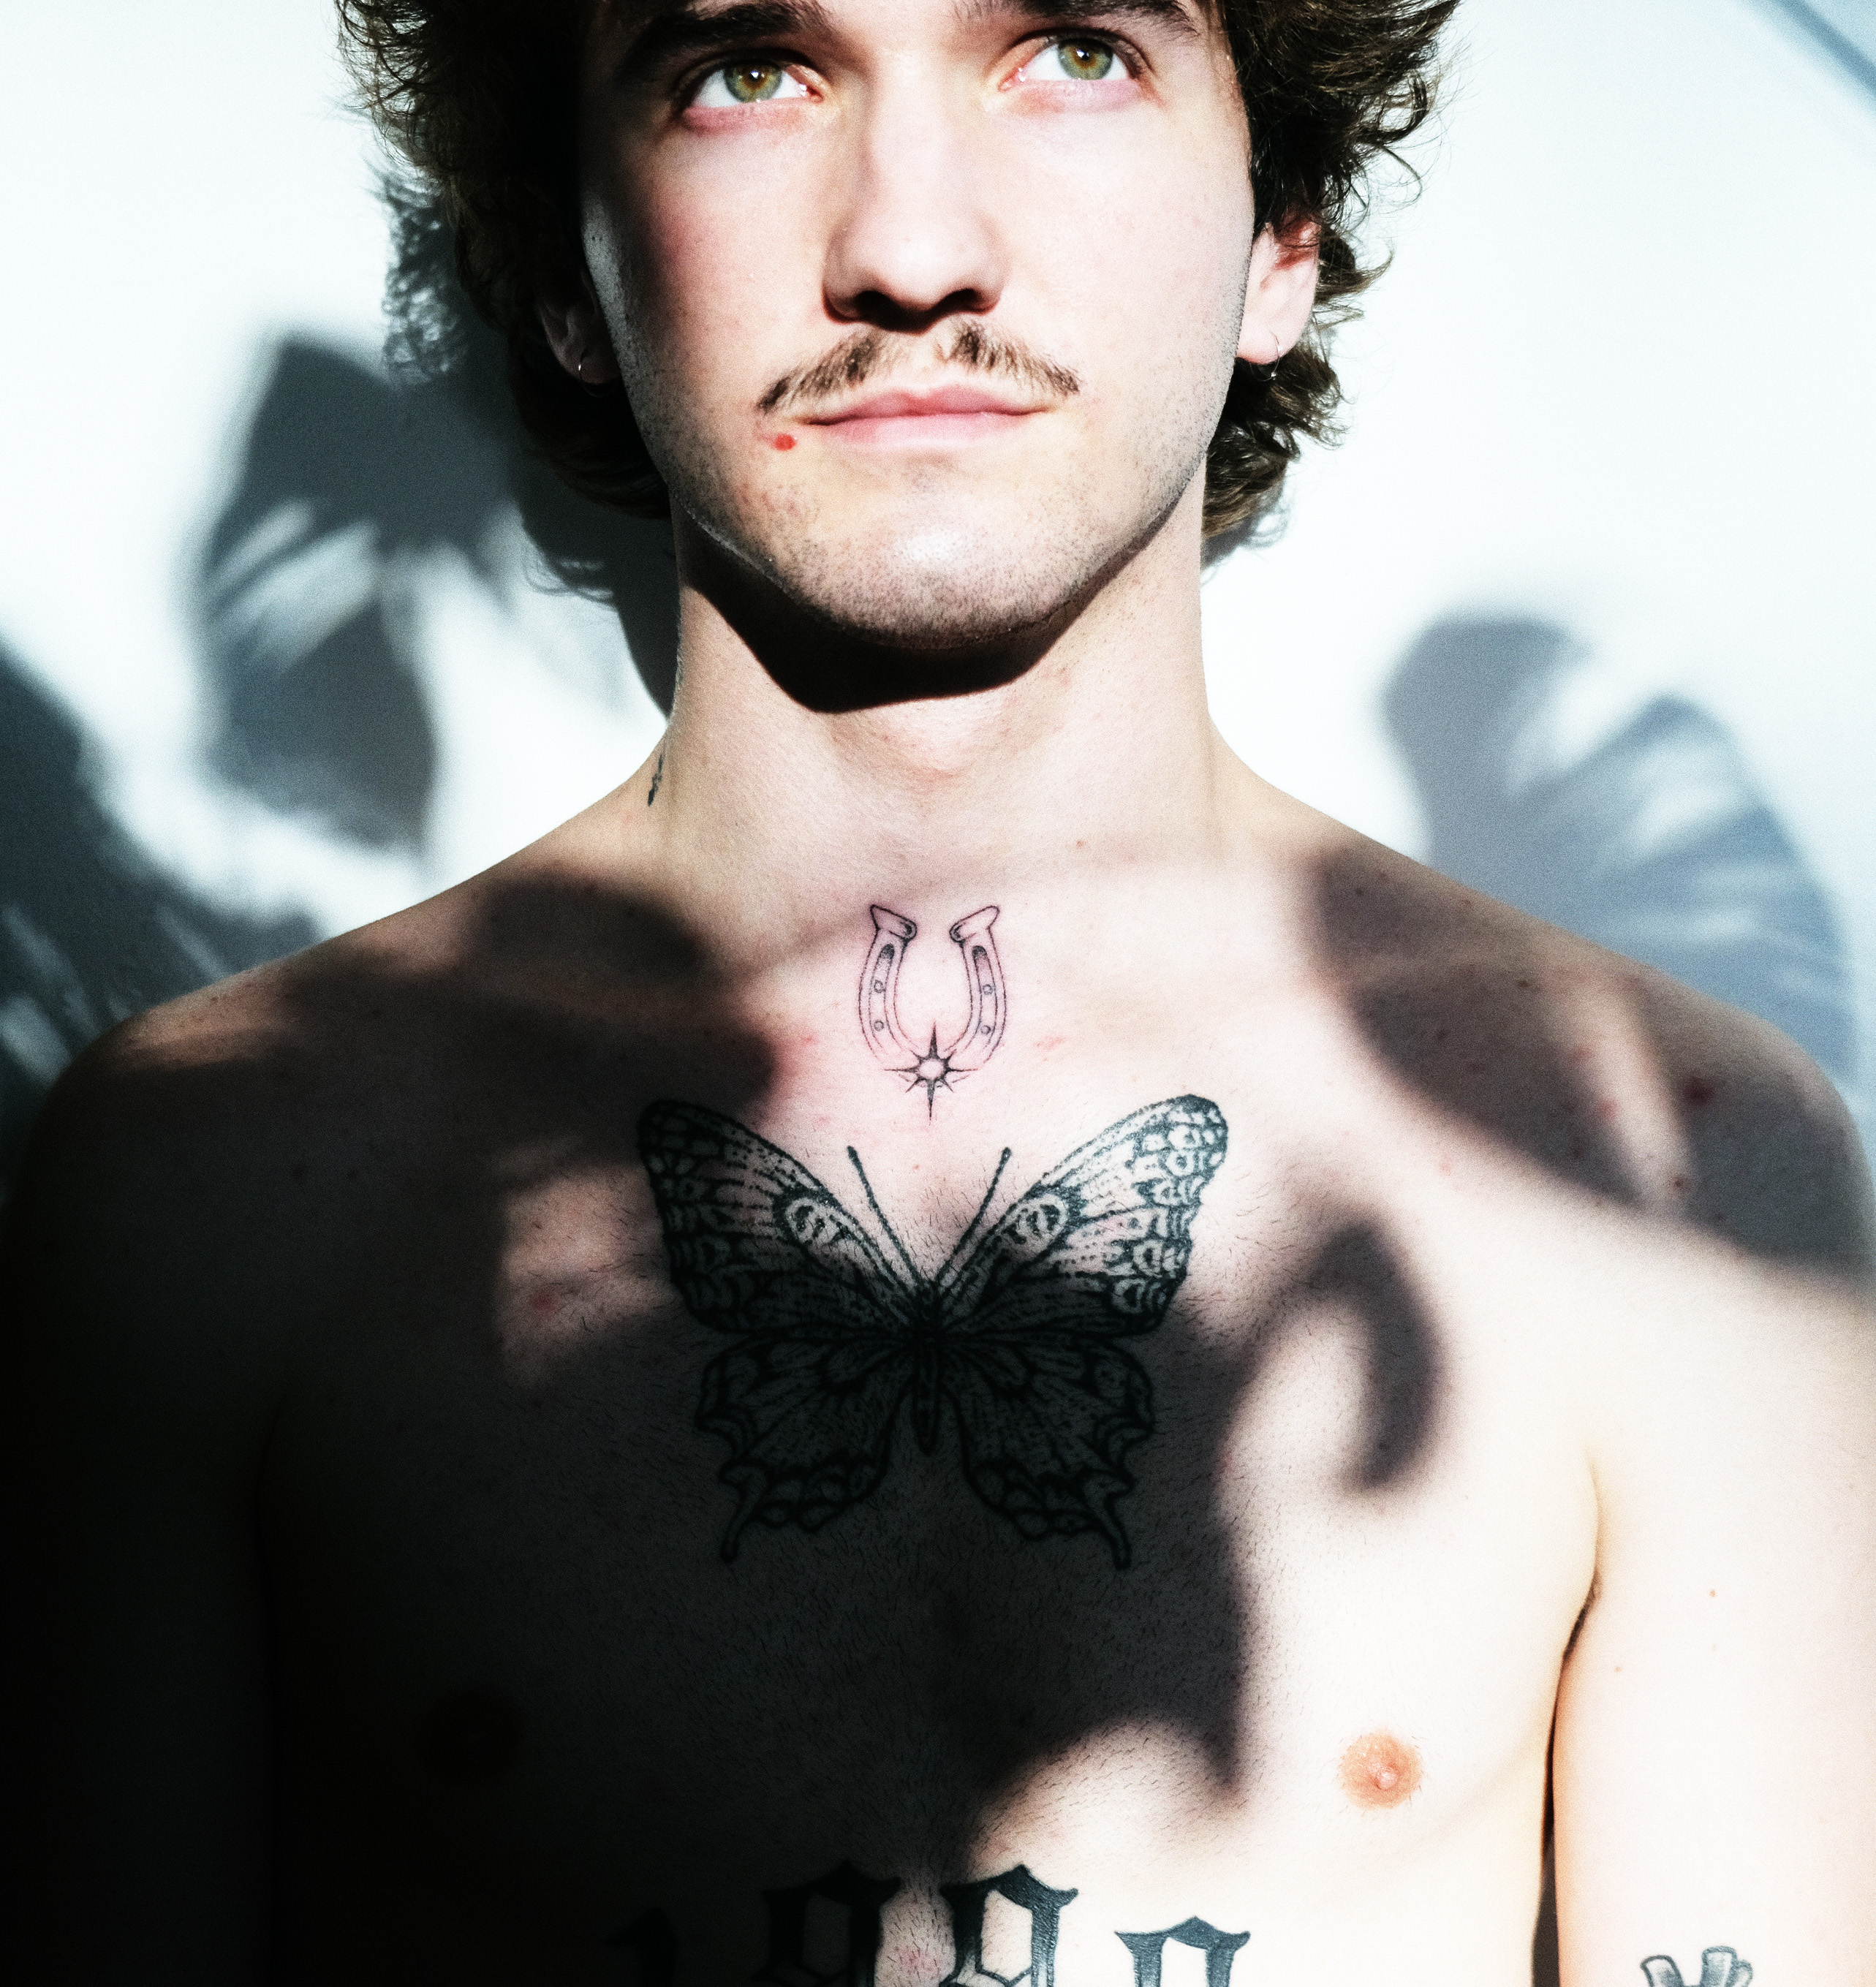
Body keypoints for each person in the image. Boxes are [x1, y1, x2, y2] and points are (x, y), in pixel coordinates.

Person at [4, 0, 1873, 1980]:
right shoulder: (217, 1189)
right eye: (749, 68)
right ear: (566, 269)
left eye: (1073, 51)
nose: (911, 250)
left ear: (1282, 234)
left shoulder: (1671, 1175)